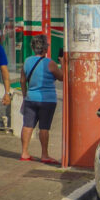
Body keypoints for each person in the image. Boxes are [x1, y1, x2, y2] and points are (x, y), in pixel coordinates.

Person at [19, 35, 63, 163]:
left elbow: (22, 80)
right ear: (45, 48)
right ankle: (44, 155)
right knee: (44, 127)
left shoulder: (27, 61)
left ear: (33, 48)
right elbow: (62, 77)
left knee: (27, 125)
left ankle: (24, 153)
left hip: (30, 98)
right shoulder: (50, 63)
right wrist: (63, 62)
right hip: (47, 100)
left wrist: (25, 95)